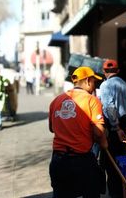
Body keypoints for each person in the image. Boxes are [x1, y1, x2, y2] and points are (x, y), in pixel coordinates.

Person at [49, 66, 108, 198]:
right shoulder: (92, 100)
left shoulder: (56, 101)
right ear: (87, 81)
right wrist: (104, 143)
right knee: (91, 193)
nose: (94, 86)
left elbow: (52, 128)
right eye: (94, 82)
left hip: (58, 160)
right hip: (81, 161)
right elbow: (98, 133)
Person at [99, 59, 126, 198]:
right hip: (124, 125)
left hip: (114, 128)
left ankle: (115, 195)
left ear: (104, 72)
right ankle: (122, 193)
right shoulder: (124, 84)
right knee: (121, 162)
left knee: (112, 167)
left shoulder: (105, 85)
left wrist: (116, 127)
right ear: (118, 71)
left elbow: (109, 106)